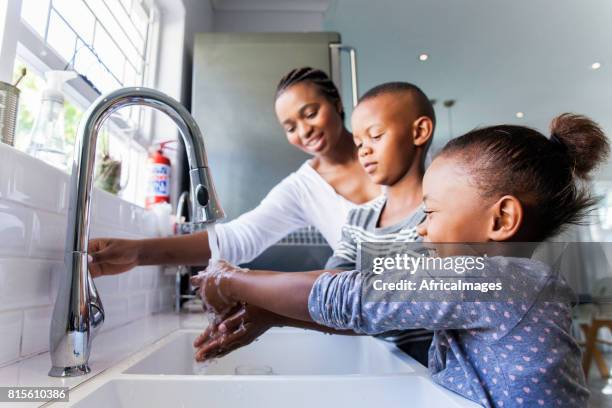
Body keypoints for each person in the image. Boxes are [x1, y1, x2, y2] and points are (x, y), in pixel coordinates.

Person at [193, 113, 609, 407]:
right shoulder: (503, 285)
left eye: (431, 212)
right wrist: (272, 315)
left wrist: (231, 278)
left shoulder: (496, 281)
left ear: (501, 219)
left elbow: (357, 297)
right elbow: (383, 313)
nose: (422, 228)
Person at [192, 82, 436, 364]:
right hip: (391, 368)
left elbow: (371, 300)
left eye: (376, 136)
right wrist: (270, 314)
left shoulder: (438, 217)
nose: (364, 151)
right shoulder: (360, 220)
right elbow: (333, 294)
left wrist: (234, 280)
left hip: (435, 379)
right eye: (359, 143)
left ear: (419, 132)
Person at [87, 67, 380, 276]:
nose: (304, 131)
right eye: (290, 127)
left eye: (311, 113)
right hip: (384, 326)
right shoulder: (302, 188)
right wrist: (138, 252)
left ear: (337, 104)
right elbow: (239, 238)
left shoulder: (385, 147)